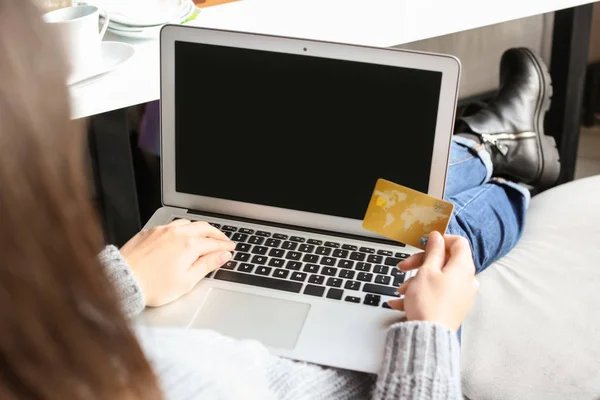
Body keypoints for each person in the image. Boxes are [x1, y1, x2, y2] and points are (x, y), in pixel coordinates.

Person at [0, 1, 558, 400]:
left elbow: (26, 336)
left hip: (171, 312)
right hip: (374, 365)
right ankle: (504, 161)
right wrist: (431, 332)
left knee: (350, 201)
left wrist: (119, 281)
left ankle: (491, 142)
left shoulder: (30, 353)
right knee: (431, 238)